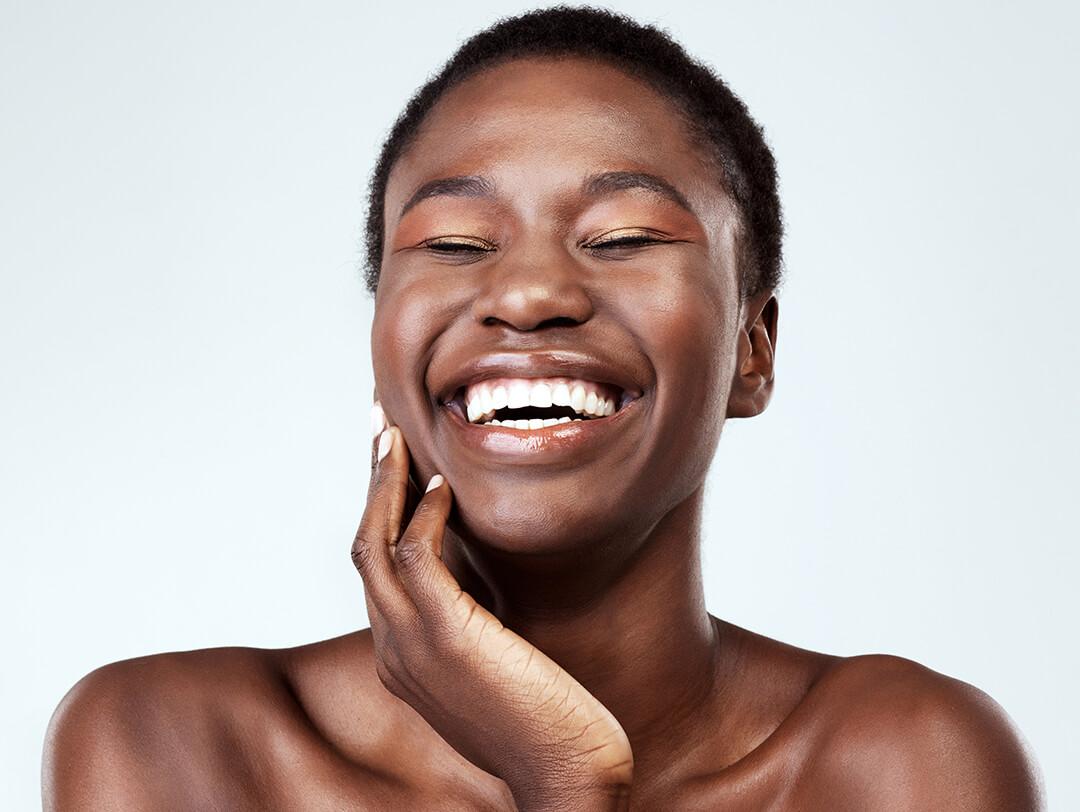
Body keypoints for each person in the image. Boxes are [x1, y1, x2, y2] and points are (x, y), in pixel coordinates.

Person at [43, 6, 1043, 810]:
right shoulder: (176, 744)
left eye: (622, 236)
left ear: (753, 348)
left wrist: (562, 780)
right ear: (383, 337)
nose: (526, 295)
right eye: (453, 245)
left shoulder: (901, 764)